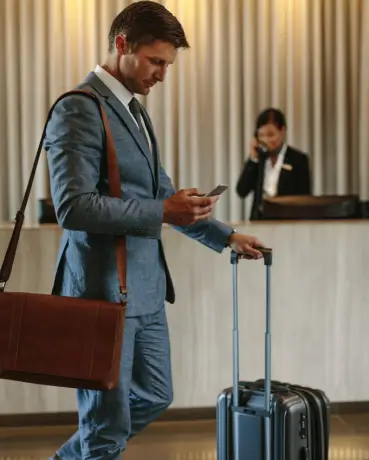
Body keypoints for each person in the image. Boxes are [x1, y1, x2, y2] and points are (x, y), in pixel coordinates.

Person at [43, 2, 265, 459]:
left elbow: (159, 193)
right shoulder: (79, 108)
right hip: (102, 292)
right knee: (105, 426)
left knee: (156, 395)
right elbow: (73, 207)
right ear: (122, 45)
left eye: (168, 64)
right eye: (156, 61)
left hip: (144, 291)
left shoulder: (135, 111)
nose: (163, 74)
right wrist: (162, 209)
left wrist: (226, 236)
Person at [236, 108, 312, 220]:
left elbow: (304, 198)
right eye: (261, 135)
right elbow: (241, 191)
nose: (266, 140)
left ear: (282, 131)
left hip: (288, 221)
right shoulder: (258, 159)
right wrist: (253, 159)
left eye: (271, 135)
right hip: (259, 222)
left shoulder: (298, 159)